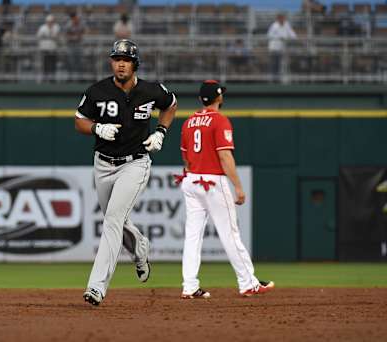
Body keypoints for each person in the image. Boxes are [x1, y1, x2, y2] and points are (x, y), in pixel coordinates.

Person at [75, 39, 177, 306]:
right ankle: (140, 248)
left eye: (126, 59)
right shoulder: (97, 91)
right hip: (103, 164)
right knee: (117, 220)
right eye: (117, 59)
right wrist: (97, 128)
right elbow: (79, 120)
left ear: (135, 64)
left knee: (111, 221)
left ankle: (96, 287)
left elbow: (171, 104)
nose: (121, 63)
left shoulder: (150, 90)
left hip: (135, 163)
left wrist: (161, 132)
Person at [176, 80, 274, 299]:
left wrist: (194, 173)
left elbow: (185, 155)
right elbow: (224, 155)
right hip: (212, 181)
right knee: (230, 233)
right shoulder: (219, 120)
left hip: (191, 179)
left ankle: (189, 286)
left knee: (192, 236)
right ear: (218, 97)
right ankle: (248, 282)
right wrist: (238, 186)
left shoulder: (189, 121)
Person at [267, 13, 297, 81]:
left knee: (283, 64)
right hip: (274, 48)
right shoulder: (274, 26)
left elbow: (292, 34)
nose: (282, 19)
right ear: (278, 19)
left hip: (283, 49)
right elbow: (269, 35)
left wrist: (295, 38)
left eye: (283, 18)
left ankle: (283, 79)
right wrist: (280, 37)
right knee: (275, 64)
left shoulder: (287, 24)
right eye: (281, 18)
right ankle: (274, 80)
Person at [36, 14, 61, 82]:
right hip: (44, 48)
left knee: (53, 64)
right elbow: (39, 36)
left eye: (52, 21)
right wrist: (49, 36)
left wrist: (49, 34)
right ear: (47, 21)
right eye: (49, 21)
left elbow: (56, 36)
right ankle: (45, 78)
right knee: (45, 65)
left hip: (53, 48)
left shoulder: (56, 27)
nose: (50, 22)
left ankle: (52, 79)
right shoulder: (42, 27)